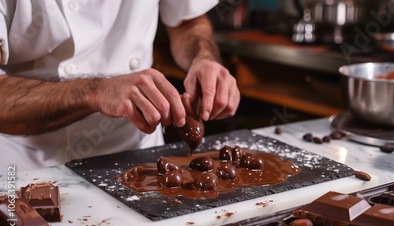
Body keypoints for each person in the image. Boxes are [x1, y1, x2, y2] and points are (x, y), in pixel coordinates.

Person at [0, 0, 240, 175]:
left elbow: (187, 20)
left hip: (137, 155)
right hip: (28, 167)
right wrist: (96, 91)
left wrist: (203, 58)